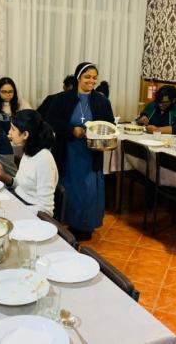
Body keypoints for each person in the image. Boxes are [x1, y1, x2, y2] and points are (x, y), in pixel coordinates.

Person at [45, 62, 114, 241]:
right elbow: (51, 120)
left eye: (94, 78)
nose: (91, 81)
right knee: (68, 186)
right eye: (87, 77)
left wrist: (100, 133)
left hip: (91, 152)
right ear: (78, 78)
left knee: (88, 189)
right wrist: (71, 130)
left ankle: (85, 225)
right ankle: (65, 221)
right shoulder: (62, 98)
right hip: (68, 151)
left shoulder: (101, 100)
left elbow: (110, 124)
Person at [0, 110, 58, 216]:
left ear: (25, 134)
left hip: (30, 211)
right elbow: (22, 186)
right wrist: (3, 176)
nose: (9, 133)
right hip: (19, 201)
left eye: (13, 129)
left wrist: (17, 210)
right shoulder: (29, 150)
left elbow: (46, 209)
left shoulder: (44, 159)